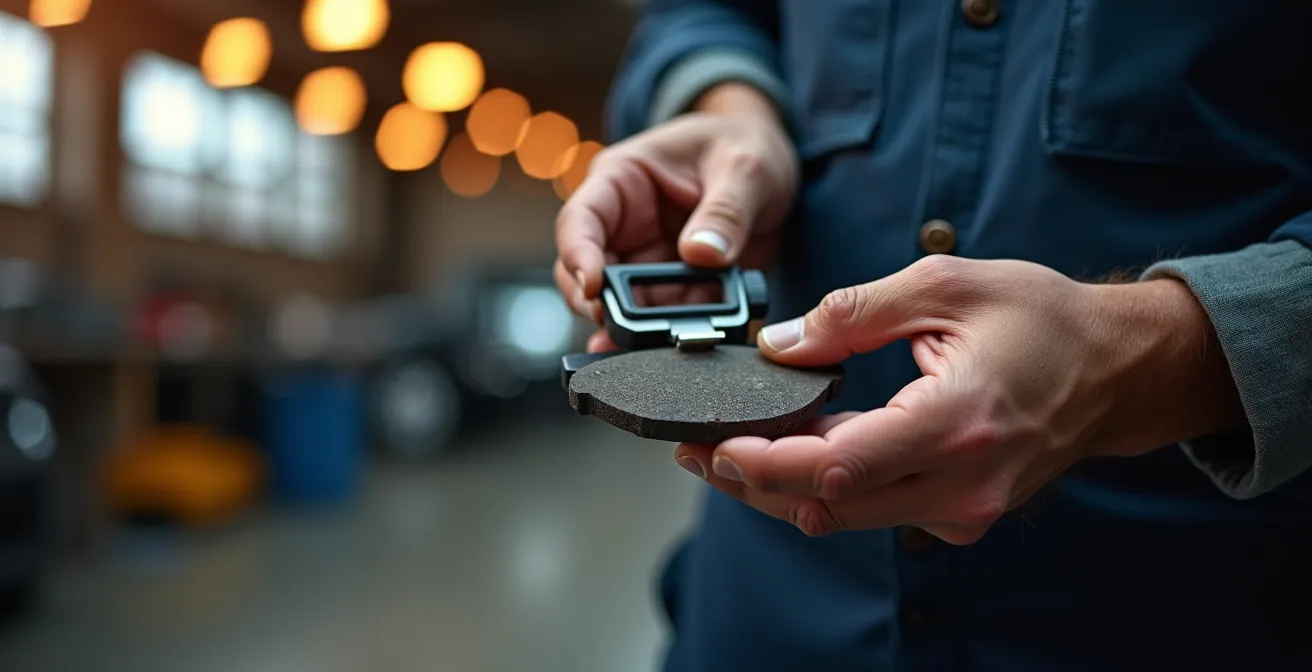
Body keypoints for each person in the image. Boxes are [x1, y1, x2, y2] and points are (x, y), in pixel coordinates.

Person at [554, 2, 1312, 669]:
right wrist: (733, 110)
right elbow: (709, 11)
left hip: (1200, 612)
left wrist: (1151, 356)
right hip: (758, 620)